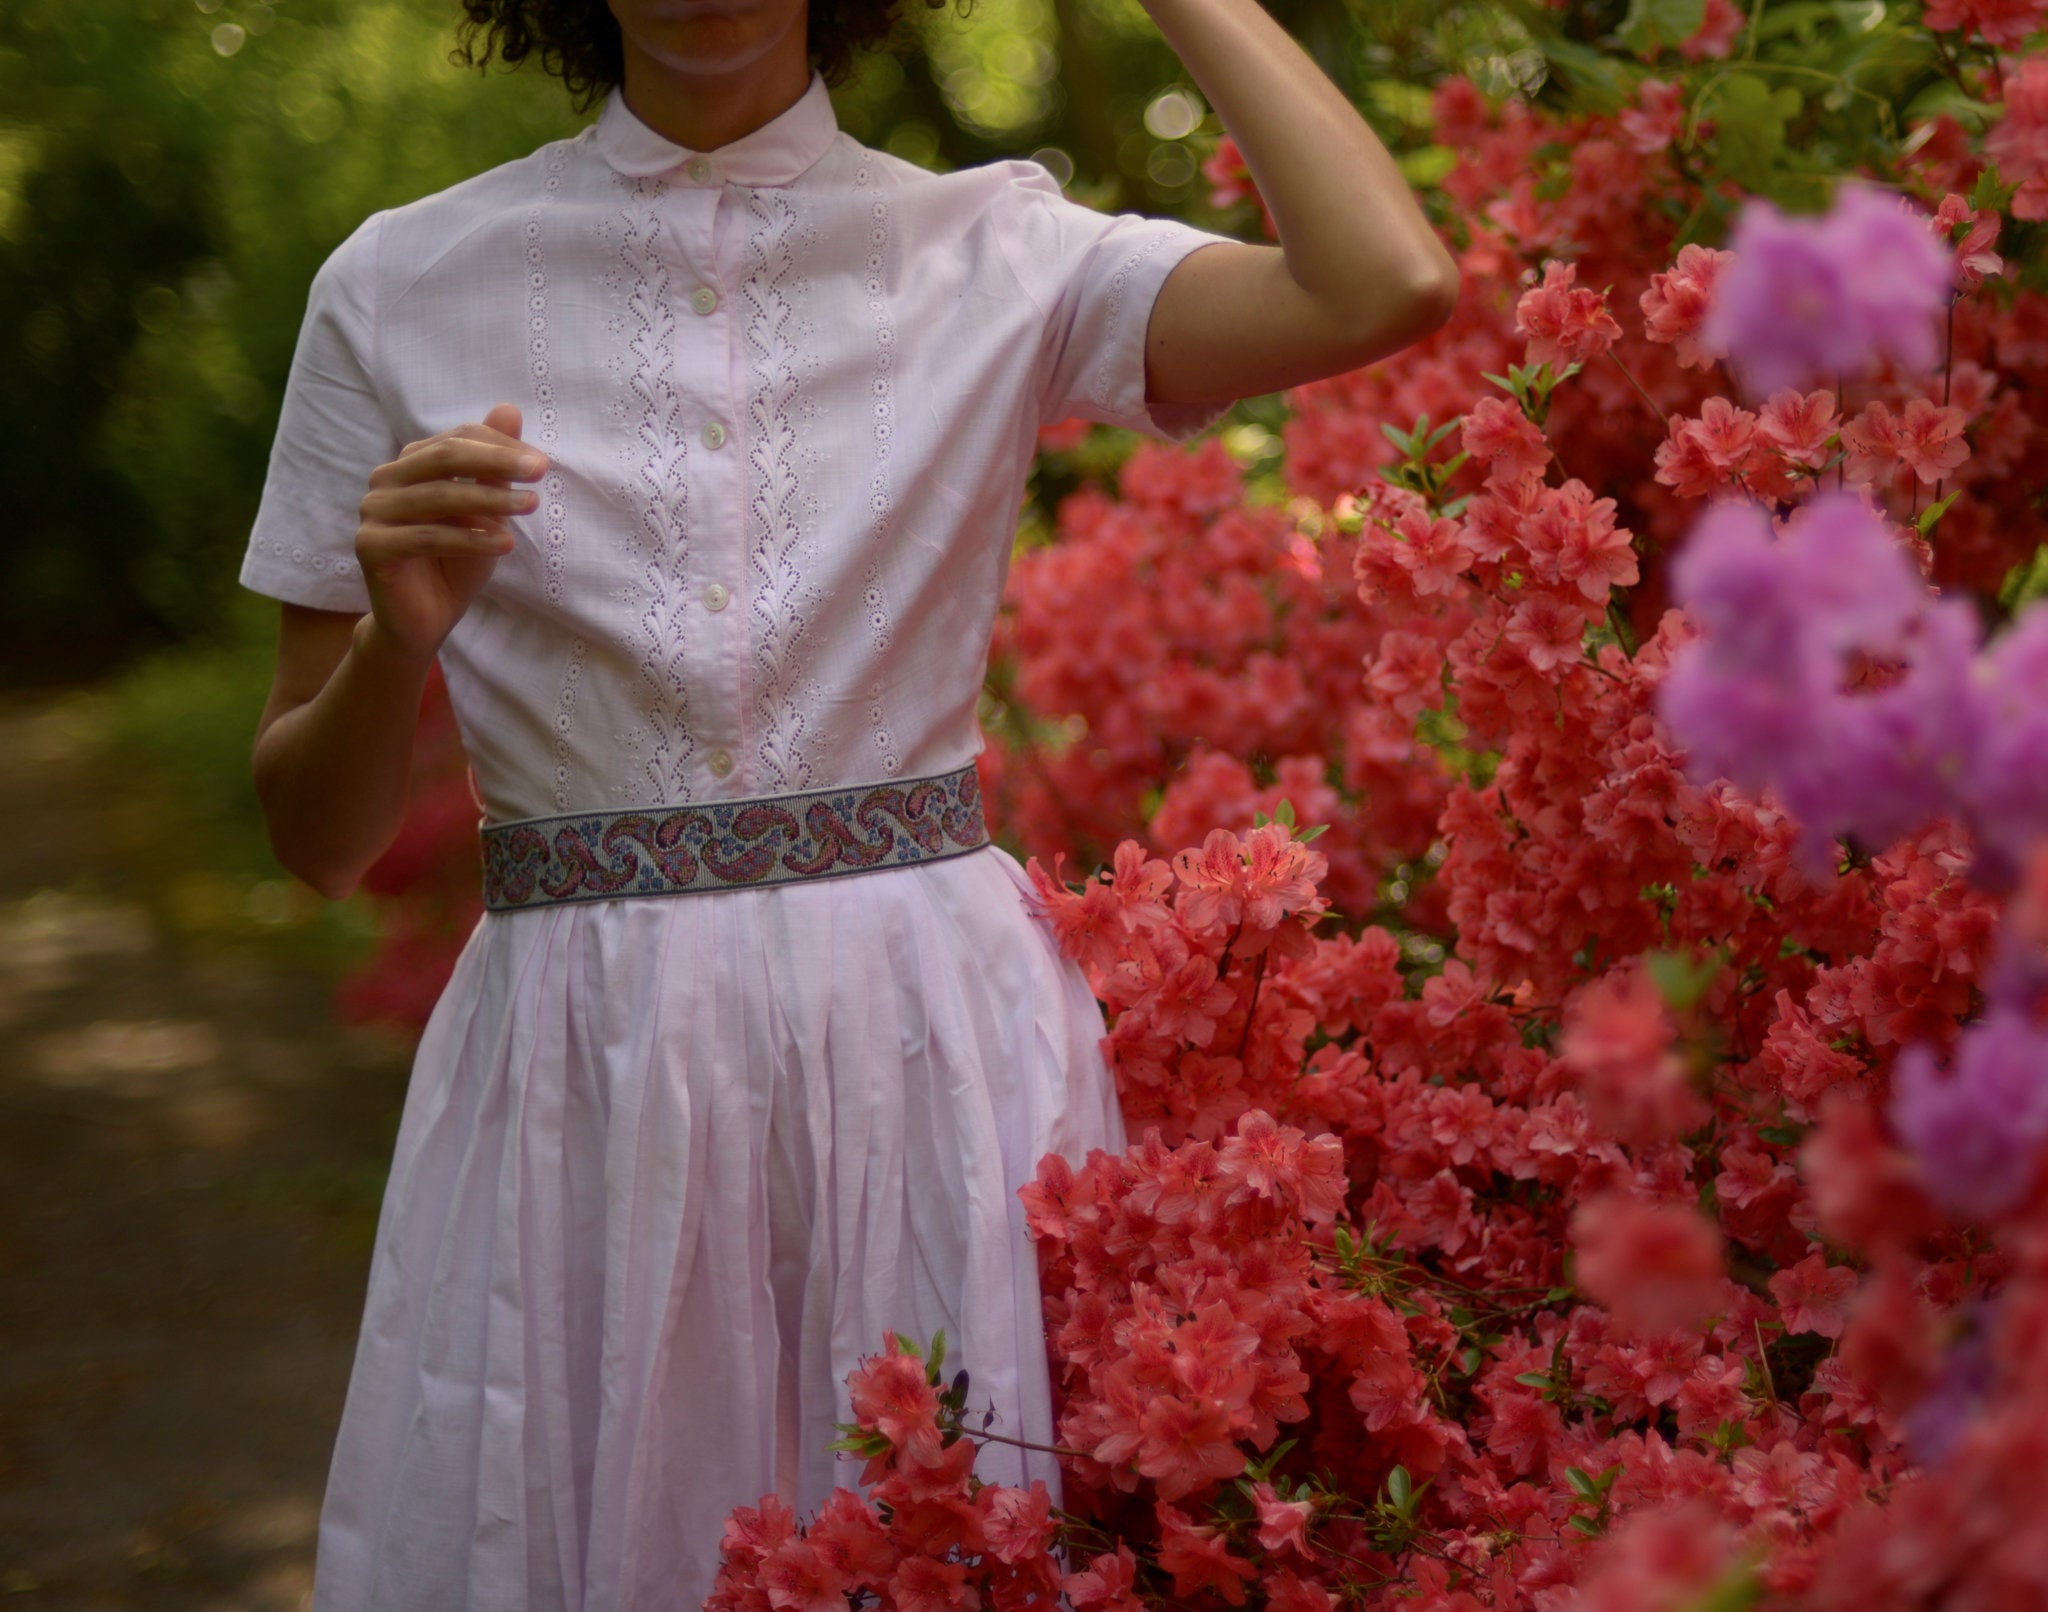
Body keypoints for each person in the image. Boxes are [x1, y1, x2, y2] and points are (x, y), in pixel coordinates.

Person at [242, 0, 1457, 1599]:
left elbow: (1386, 283)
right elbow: (317, 841)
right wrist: (398, 639)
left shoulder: (995, 249)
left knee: (955, 1536)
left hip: (928, 1054)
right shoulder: (398, 281)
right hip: (583, 1071)